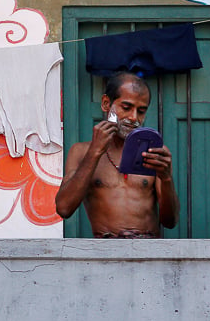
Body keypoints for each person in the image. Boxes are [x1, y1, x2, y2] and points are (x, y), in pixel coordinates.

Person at [55, 72, 178, 238]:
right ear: (106, 104)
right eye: (126, 108)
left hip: (149, 251)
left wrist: (167, 178)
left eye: (141, 111)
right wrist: (95, 152)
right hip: (105, 253)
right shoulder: (81, 151)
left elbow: (170, 222)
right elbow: (64, 208)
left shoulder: (153, 152)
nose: (134, 118)